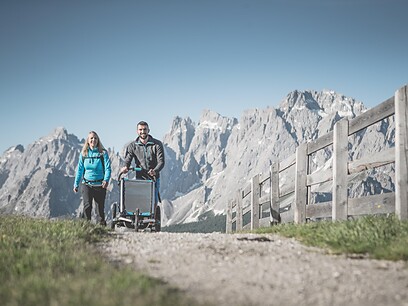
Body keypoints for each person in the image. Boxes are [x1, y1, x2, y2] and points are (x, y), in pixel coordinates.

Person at [120, 121, 165, 205]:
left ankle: (154, 216)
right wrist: (126, 166)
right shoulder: (132, 146)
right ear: (137, 131)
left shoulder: (157, 144)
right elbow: (128, 159)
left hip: (154, 178)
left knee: (153, 202)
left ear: (148, 130)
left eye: (145, 129)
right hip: (140, 178)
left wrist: (155, 171)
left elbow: (161, 162)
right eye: (140, 129)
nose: (143, 132)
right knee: (140, 202)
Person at [73, 131, 111, 225]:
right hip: (87, 184)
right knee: (87, 206)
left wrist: (106, 180)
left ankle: (102, 229)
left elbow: (107, 168)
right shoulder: (84, 154)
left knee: (100, 209)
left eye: (95, 138)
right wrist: (76, 184)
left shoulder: (103, 153)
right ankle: (86, 227)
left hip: (100, 185)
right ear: (88, 141)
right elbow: (80, 170)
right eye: (91, 138)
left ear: (98, 140)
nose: (93, 140)